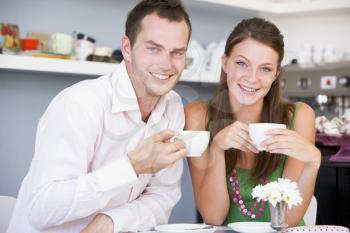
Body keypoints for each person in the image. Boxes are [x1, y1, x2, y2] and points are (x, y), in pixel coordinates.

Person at [7, 1, 192, 232]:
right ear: (127, 48)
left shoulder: (172, 106)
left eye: (177, 52)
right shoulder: (81, 103)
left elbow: (163, 197)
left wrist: (111, 221)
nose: (166, 64)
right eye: (153, 48)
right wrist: (132, 166)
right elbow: (40, 208)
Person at [185, 17, 321, 227]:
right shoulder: (198, 116)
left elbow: (288, 220)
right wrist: (217, 149)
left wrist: (313, 162)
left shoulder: (299, 116)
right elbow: (214, 217)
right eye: (242, 63)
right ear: (225, 63)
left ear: (276, 74)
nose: (252, 78)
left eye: (265, 69)